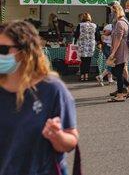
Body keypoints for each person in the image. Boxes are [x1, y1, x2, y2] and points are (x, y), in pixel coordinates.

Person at [0, 21, 79, 175]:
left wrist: (58, 137)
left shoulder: (52, 89)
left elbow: (71, 141)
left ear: (25, 52)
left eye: (3, 49)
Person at [108, 3, 129, 102]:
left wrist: (113, 52)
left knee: (117, 72)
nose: (111, 14)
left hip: (121, 50)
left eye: (112, 11)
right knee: (117, 72)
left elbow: (118, 39)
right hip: (123, 49)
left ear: (116, 12)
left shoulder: (120, 23)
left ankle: (121, 94)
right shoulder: (124, 21)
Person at [74, 12, 97, 82]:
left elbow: (76, 35)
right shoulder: (94, 25)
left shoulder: (80, 25)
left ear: (82, 18)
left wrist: (74, 42)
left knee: (82, 61)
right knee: (88, 61)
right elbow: (97, 35)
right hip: (91, 45)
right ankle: (86, 75)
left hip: (82, 45)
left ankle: (82, 76)